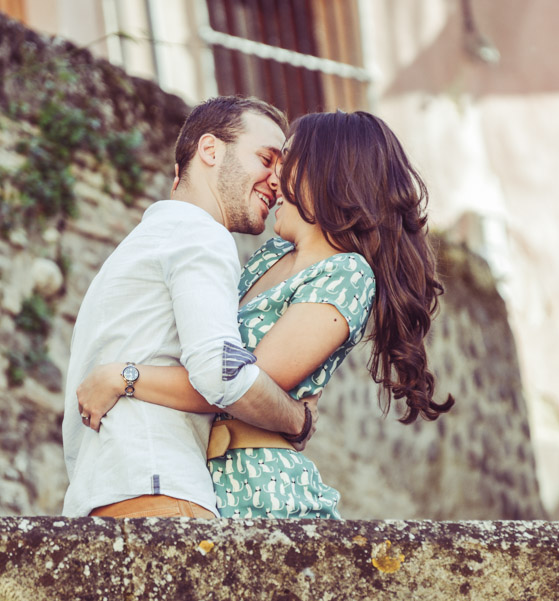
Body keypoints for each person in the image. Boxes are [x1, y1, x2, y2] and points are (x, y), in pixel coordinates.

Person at [78, 110, 454, 518]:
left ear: (326, 170)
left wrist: (125, 377)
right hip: (204, 477)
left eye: (286, 161)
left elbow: (229, 384)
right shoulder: (268, 258)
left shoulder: (345, 274)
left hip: (261, 487)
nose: (273, 179)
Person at [61, 96, 319, 520]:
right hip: (161, 491)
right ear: (211, 150)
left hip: (106, 492)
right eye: (266, 158)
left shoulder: (142, 245)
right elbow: (218, 370)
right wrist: (296, 420)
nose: (277, 181)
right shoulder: (201, 235)